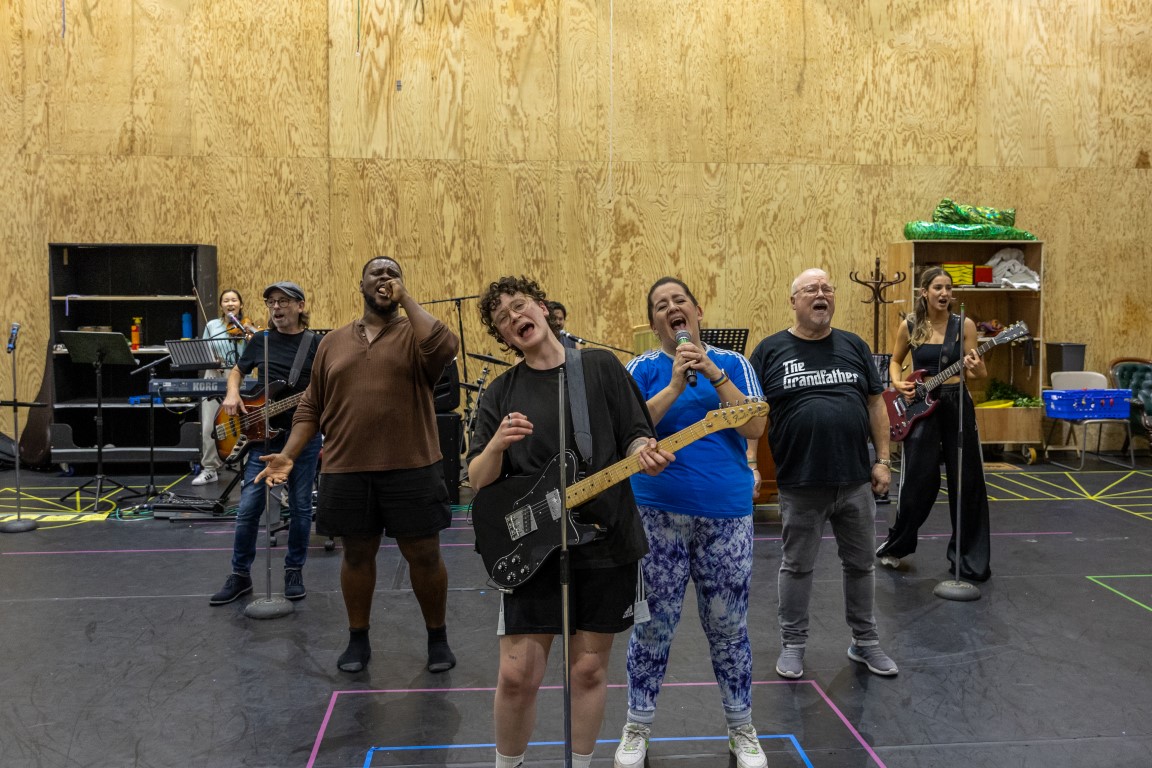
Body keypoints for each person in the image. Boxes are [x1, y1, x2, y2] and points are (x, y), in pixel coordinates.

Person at [467, 276, 674, 768]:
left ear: (542, 308)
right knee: (517, 675)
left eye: (520, 307)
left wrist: (642, 450)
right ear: (503, 336)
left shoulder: (599, 367)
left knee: (587, 671)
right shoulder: (501, 391)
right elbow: (477, 480)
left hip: (604, 539)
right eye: (502, 319)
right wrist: (496, 443)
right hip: (531, 548)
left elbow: (634, 433)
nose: (515, 318)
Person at [256, 257, 460, 674]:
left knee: (424, 555)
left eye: (392, 274)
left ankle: (437, 637)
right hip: (347, 468)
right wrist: (290, 454)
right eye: (376, 274)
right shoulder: (332, 342)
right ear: (361, 285)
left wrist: (406, 300)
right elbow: (312, 405)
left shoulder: (415, 335)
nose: (384, 279)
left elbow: (445, 347)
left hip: (412, 466)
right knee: (356, 555)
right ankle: (358, 638)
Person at [614, 277, 768, 768]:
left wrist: (715, 375)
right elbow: (627, 428)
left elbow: (755, 425)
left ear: (697, 312)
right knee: (652, 626)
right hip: (656, 513)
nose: (671, 309)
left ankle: (741, 727)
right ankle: (636, 726)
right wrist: (677, 383)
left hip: (726, 515)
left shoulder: (735, 363)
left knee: (729, 627)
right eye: (660, 306)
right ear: (655, 323)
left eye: (679, 301)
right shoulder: (641, 368)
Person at [748, 268, 898, 679]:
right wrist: (750, 465)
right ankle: (793, 644)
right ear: (793, 301)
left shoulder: (853, 345)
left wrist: (882, 460)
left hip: (854, 479)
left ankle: (865, 642)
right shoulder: (770, 350)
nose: (821, 294)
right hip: (800, 482)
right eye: (811, 289)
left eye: (827, 289)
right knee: (796, 566)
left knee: (862, 565)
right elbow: (753, 414)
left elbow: (875, 405)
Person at [209, 281, 323, 605]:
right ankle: (240, 575)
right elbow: (237, 371)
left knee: (301, 508)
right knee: (247, 509)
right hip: (261, 434)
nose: (276, 307)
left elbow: (328, 386)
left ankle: (293, 570)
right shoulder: (262, 340)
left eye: (284, 301)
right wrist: (233, 392)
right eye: (271, 301)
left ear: (300, 306)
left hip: (302, 438)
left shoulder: (315, 344)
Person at [875, 266, 992, 582]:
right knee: (916, 480)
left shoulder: (963, 325)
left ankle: (968, 559)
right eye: (938, 287)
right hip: (919, 406)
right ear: (924, 292)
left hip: (957, 401)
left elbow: (979, 376)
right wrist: (898, 383)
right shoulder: (910, 324)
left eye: (949, 288)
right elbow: (896, 361)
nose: (944, 294)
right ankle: (896, 546)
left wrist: (976, 366)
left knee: (966, 481)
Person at [192, 289, 257, 486]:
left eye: (234, 300)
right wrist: (212, 360)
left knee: (245, 424)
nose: (230, 304)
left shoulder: (246, 327)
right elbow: (204, 351)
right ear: (221, 305)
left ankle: (247, 471)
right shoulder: (213, 326)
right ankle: (210, 469)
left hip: (240, 376)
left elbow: (255, 354)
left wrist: (251, 338)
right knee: (210, 425)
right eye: (226, 300)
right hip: (215, 374)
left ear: (240, 304)